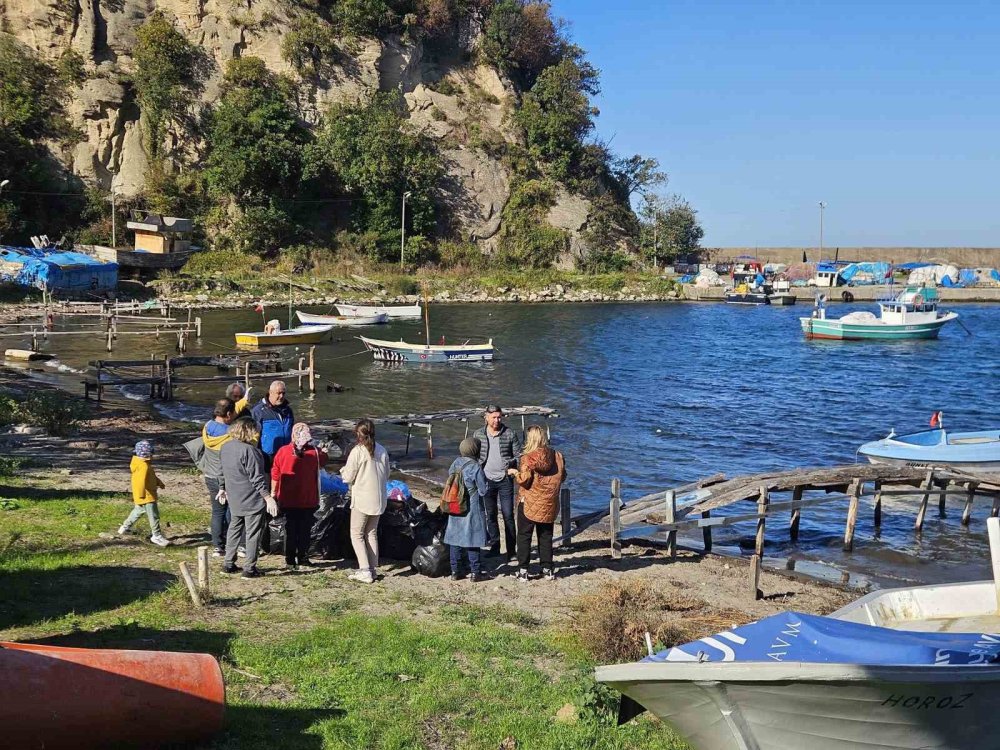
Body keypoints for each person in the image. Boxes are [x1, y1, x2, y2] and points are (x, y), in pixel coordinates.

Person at [220, 418, 277, 578]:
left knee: (234, 529)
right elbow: (257, 478)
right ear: (249, 431)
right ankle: (249, 568)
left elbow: (222, 470)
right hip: (252, 498)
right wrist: (268, 497)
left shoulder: (225, 447)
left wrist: (222, 488)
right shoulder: (250, 451)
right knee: (253, 534)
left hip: (235, 496)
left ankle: (228, 563)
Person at [510, 425, 566, 582]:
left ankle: (523, 570)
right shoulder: (558, 456)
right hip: (549, 503)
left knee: (524, 536)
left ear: (531, 439)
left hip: (530, 502)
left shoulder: (527, 458)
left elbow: (524, 481)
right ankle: (547, 569)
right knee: (546, 536)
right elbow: (563, 477)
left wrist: (515, 473)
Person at [271, 423, 328, 570]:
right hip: (307, 499)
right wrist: (324, 451)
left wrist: (273, 494)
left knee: (290, 529)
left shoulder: (282, 451)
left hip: (287, 498)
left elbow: (275, 474)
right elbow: (323, 462)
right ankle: (303, 557)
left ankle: (290, 559)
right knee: (305, 530)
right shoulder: (315, 453)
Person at [340, 418, 389, 584]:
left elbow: (347, 477)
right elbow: (387, 474)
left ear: (358, 434)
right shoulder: (382, 450)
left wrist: (342, 470)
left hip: (363, 498)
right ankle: (373, 569)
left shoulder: (358, 451)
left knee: (356, 534)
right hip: (379, 498)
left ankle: (364, 570)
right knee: (371, 533)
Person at [473, 404, 523, 562]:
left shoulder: (509, 433)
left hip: (505, 480)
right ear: (486, 417)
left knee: (508, 515)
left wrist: (512, 465)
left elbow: (519, 455)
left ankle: (511, 551)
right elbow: (473, 456)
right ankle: (495, 547)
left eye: (499, 417)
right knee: (491, 515)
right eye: (494, 417)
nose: (497, 420)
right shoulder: (478, 434)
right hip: (486, 480)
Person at [190, 398, 235, 557]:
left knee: (217, 512)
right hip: (225, 478)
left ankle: (217, 545)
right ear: (229, 414)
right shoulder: (229, 435)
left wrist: (243, 401)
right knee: (230, 511)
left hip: (209, 475)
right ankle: (231, 542)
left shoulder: (207, 426)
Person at [443, 437, 490, 582]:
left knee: (454, 539)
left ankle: (455, 571)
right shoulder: (475, 467)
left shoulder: (455, 463)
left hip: (455, 504)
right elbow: (483, 490)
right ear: (475, 450)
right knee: (473, 538)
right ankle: (475, 572)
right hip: (472, 506)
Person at [118, 440, 170, 547]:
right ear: (148, 454)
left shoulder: (141, 464)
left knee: (138, 511)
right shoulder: (144, 466)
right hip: (147, 496)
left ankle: (124, 527)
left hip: (143, 495)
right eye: (151, 453)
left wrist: (159, 483)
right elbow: (139, 481)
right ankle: (156, 535)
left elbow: (151, 477)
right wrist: (142, 495)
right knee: (154, 515)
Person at [251, 380, 294, 467]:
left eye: (283, 393)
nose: (281, 396)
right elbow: (252, 435)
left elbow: (292, 429)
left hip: (286, 452)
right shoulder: (258, 411)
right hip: (268, 455)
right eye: (278, 393)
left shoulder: (288, 410)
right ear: (270, 392)